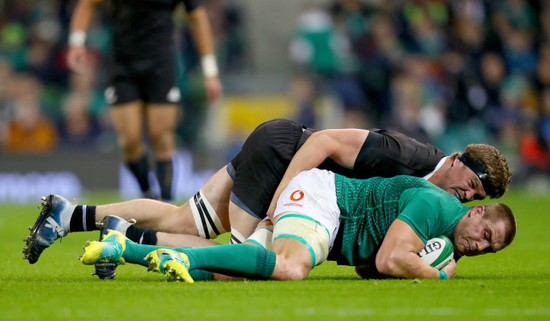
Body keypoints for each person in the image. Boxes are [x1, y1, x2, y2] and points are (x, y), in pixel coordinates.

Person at [22, 119, 512, 275]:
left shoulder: (428, 192)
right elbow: (321, 143)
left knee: (187, 218)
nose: (468, 195)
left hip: (289, 161)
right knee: (240, 253)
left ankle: (75, 216)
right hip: (287, 157)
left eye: (477, 195)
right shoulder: (407, 154)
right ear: (455, 159)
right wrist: (280, 199)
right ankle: (130, 244)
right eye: (471, 184)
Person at [78, 169, 517, 282]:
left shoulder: (448, 238)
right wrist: (437, 272)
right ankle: (180, 253)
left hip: (329, 217)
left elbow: (371, 263)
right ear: (477, 212)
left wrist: (446, 259)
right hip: (326, 201)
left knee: (239, 271)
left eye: (489, 249)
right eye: (486, 235)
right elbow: (388, 259)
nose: (481, 247)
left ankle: (123, 248)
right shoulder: (435, 205)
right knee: (291, 267)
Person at [67, 0, 222, 201]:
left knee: (162, 137)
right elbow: (87, 4)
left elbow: (197, 17)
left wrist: (210, 71)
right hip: (122, 64)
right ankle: (148, 193)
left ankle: (166, 203)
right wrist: (77, 42)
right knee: (130, 142)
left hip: (160, 64)